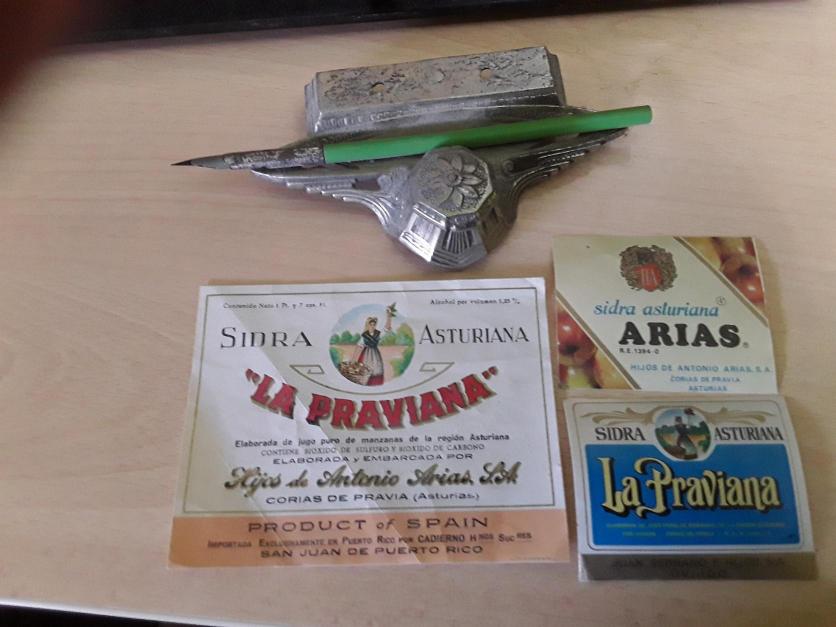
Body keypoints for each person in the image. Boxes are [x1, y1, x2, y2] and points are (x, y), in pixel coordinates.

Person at [352, 307, 394, 386]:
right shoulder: (364, 336)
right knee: (365, 371)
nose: (372, 326)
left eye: (374, 325)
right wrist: (353, 361)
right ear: (368, 325)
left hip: (375, 354)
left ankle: (376, 385)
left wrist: (389, 317)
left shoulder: (378, 334)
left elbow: (387, 328)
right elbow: (359, 347)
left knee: (377, 370)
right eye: (370, 324)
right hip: (366, 355)